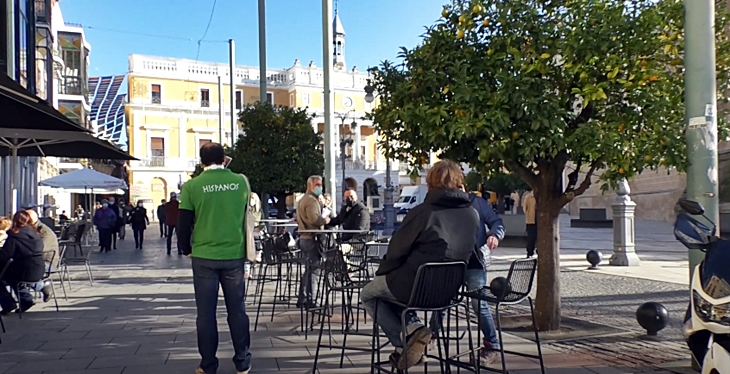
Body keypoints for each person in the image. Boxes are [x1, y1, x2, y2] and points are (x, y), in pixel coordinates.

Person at [360, 160, 479, 370]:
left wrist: (385, 270)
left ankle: (405, 344)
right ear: (460, 182)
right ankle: (413, 330)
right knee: (391, 294)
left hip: (414, 285)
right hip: (448, 291)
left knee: (369, 294)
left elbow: (397, 249)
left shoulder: (424, 212)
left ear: (431, 182)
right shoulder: (472, 214)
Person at [178, 142, 252, 374]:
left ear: (201, 162)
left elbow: (183, 222)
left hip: (204, 256)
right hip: (234, 254)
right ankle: (242, 362)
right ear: (224, 159)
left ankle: (208, 364)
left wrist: (185, 248)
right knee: (237, 310)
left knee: (206, 314)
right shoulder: (241, 182)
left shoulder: (192, 186)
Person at [464, 188, 506, 364]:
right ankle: (431, 337)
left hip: (475, 261)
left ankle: (492, 345)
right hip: (451, 261)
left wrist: (495, 235)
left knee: (478, 304)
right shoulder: (444, 204)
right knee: (441, 300)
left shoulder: (478, 203)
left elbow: (497, 222)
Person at [0, 211, 45, 314]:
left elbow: (6, 254)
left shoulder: (15, 234)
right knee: (11, 276)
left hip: (24, 270)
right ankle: (25, 299)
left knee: (4, 278)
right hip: (40, 268)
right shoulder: (36, 233)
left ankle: (10, 303)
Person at [296, 175, 330, 309]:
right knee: (314, 269)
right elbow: (314, 220)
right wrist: (325, 220)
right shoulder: (310, 201)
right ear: (310, 185)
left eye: (321, 185)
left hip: (305, 237)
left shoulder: (305, 199)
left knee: (309, 269)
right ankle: (312, 299)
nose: (320, 187)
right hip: (311, 238)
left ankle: (303, 297)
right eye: (317, 185)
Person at [523, 190, 537, 258]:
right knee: (531, 238)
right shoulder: (528, 197)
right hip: (531, 221)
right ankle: (530, 253)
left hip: (540, 221)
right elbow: (525, 208)